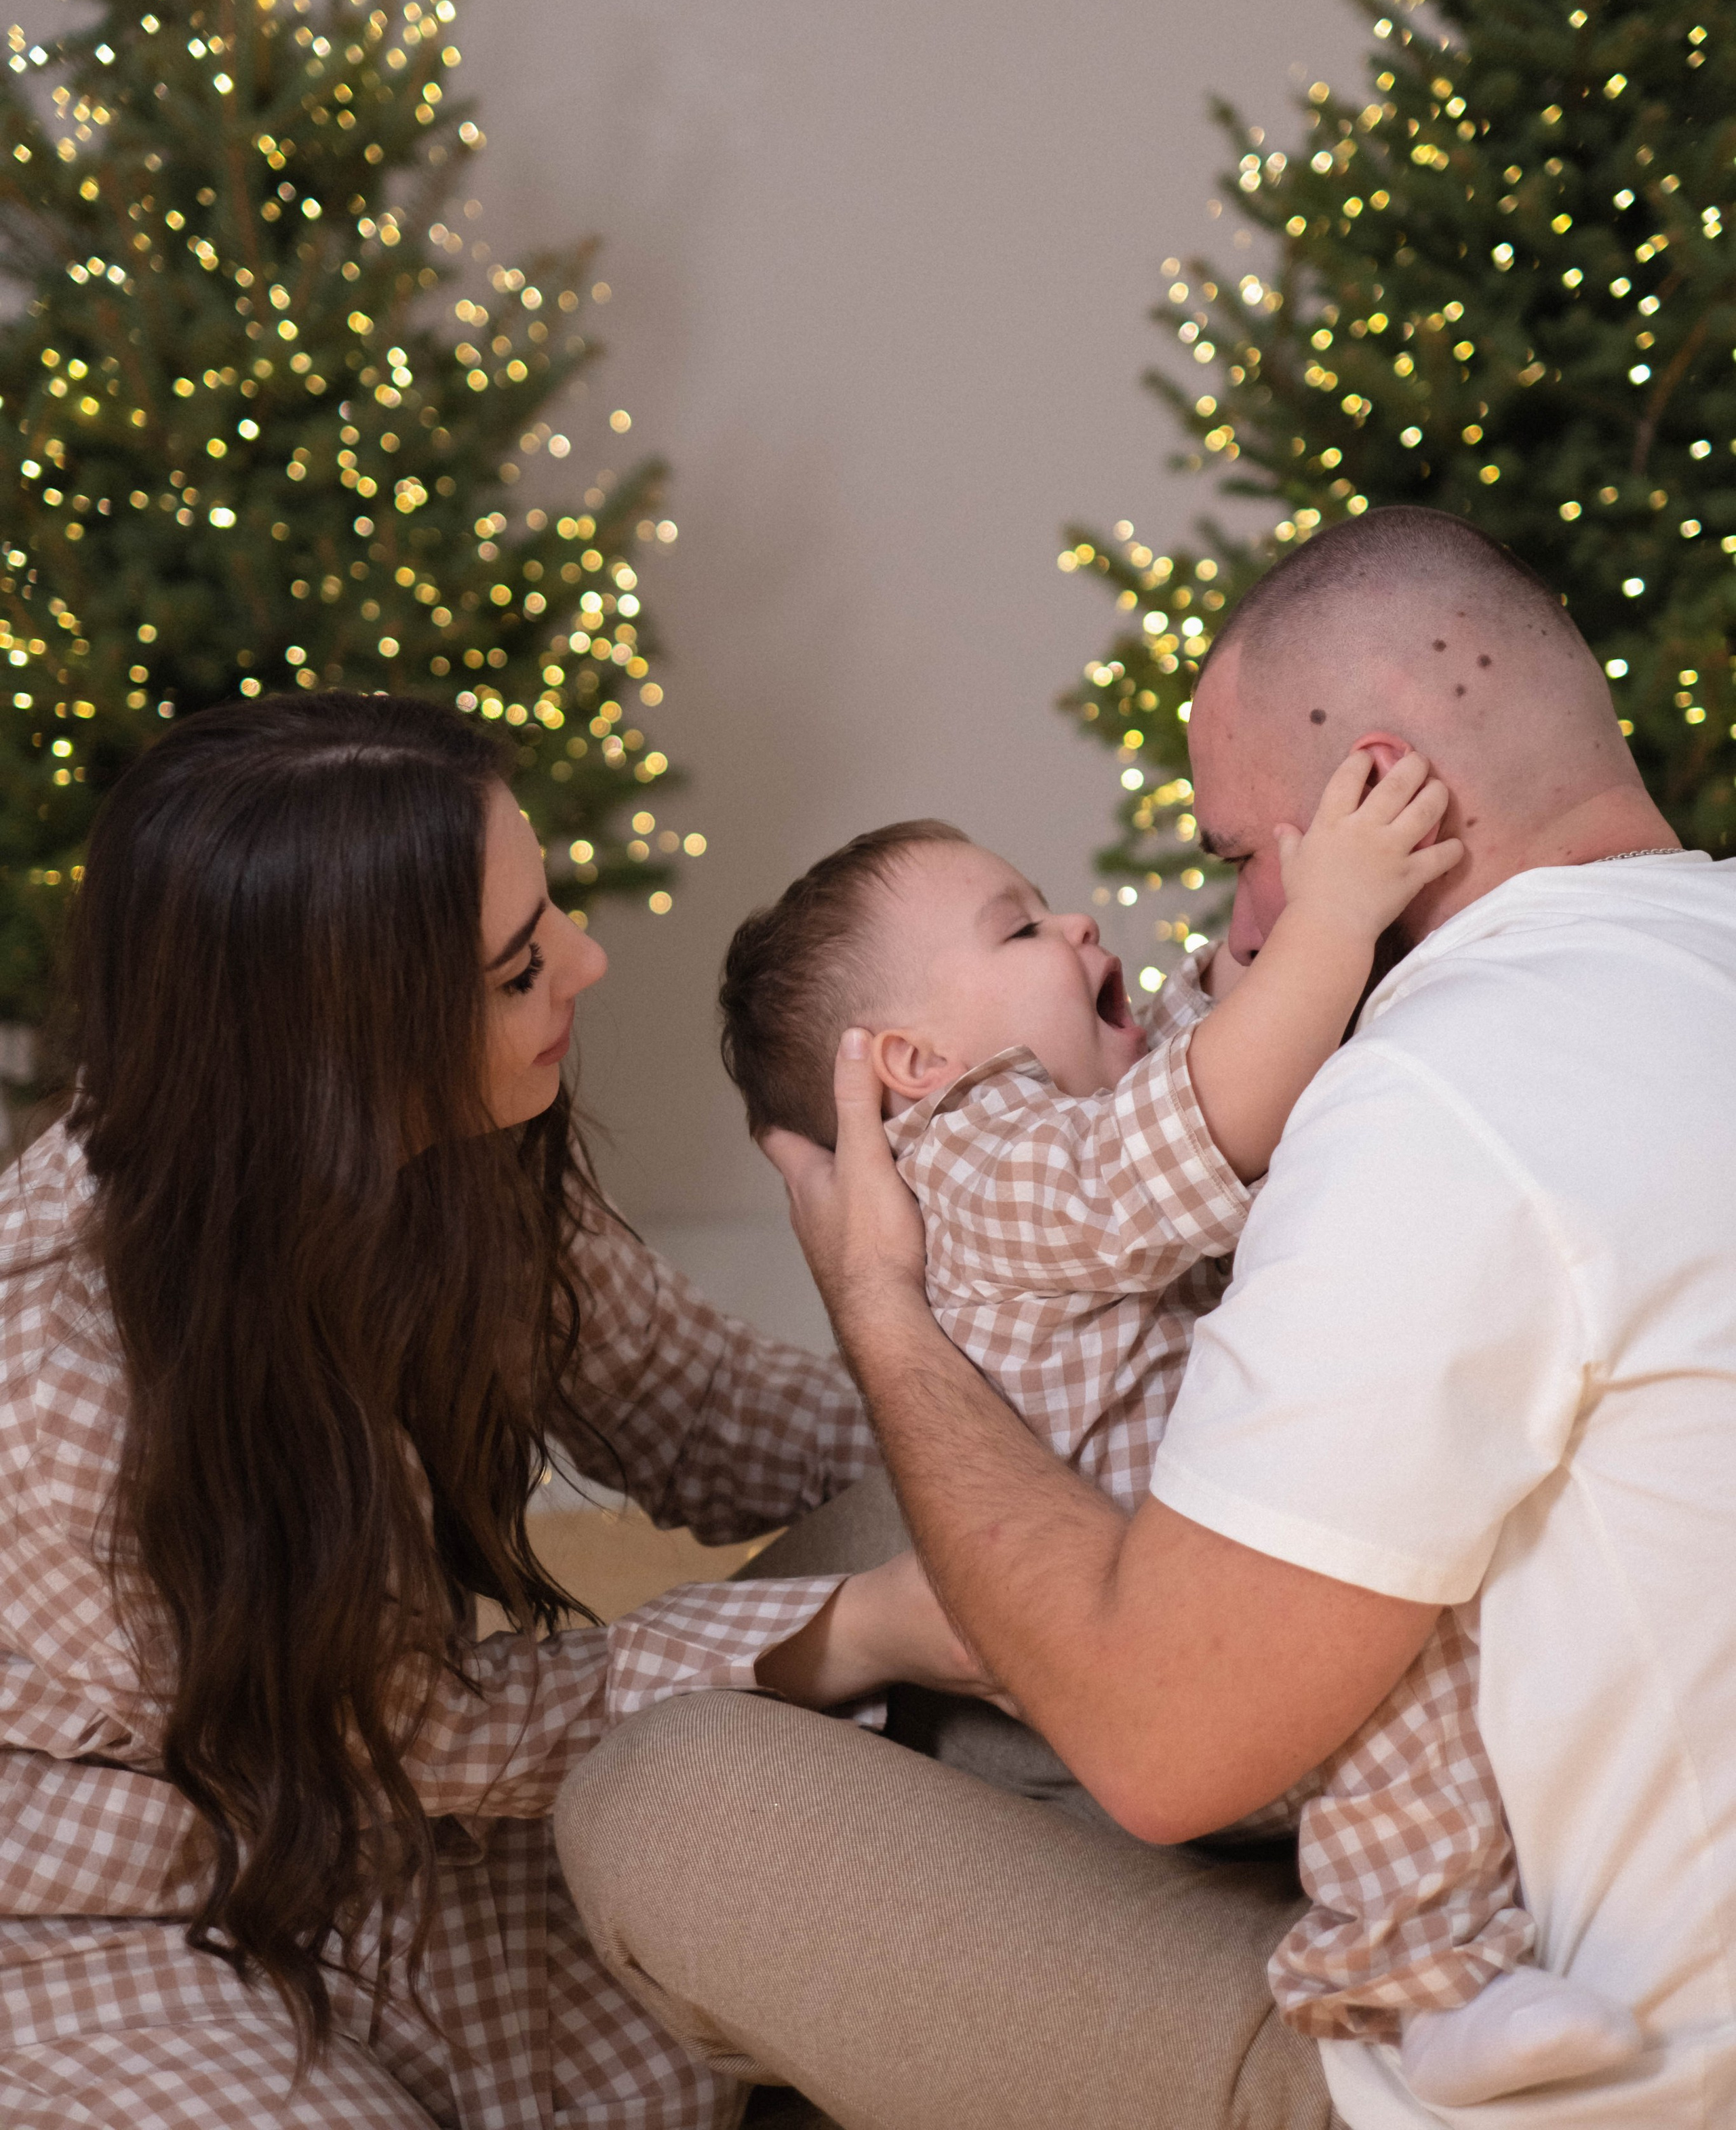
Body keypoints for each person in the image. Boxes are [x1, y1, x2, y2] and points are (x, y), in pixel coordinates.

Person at [557, 507, 1736, 2130]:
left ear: (1381, 798)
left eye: (1244, 860)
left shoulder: (1432, 1103)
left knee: (665, 1802)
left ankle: (1399, 1977)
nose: (1236, 927)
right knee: (872, 1539)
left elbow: (1167, 1747)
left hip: (1603, 2070)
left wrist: (877, 1312)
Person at [0, 692, 987, 2130]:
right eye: (520, 968)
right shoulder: (71, 1383)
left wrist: (1000, 1442)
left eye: (554, 915)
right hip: (112, 1910)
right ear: (343, 1048)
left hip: (370, 1838)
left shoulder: (443, 1151)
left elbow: (703, 1410)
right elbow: (427, 1736)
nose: (586, 963)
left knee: (813, 1963)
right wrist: (862, 1626)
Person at [711, 776, 1636, 2106]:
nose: (1079, 925)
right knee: (1392, 1672)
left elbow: (1189, 1078)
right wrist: (1330, 917)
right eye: (1018, 930)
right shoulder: (968, 1166)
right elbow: (1189, 1131)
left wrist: (1242, 972)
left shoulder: (1056, 1122)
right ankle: (1413, 1983)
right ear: (909, 1069)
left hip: (1163, 1578)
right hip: (1149, 1646)